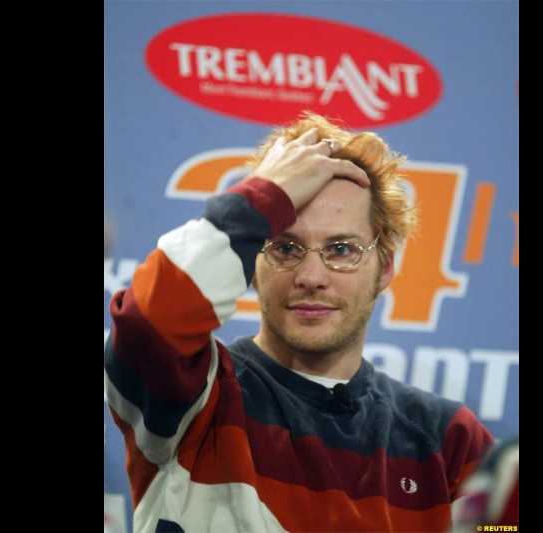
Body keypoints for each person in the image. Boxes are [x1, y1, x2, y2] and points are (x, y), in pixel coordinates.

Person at [104, 112, 494, 532]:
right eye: (286, 248)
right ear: (251, 261)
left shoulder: (449, 438)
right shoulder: (196, 396)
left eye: (342, 249)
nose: (311, 276)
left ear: (384, 269)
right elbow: (145, 324)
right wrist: (262, 197)